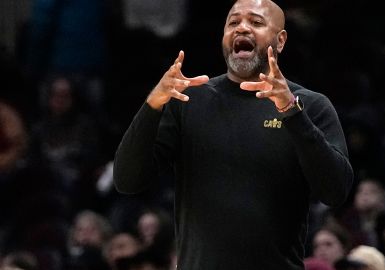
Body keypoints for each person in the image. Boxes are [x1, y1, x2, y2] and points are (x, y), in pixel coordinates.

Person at [113, 0, 354, 269]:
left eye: (256, 22)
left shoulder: (309, 105)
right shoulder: (187, 101)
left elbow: (335, 191)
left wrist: (291, 112)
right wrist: (153, 104)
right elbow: (127, 180)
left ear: (281, 40)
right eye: (233, 22)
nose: (242, 28)